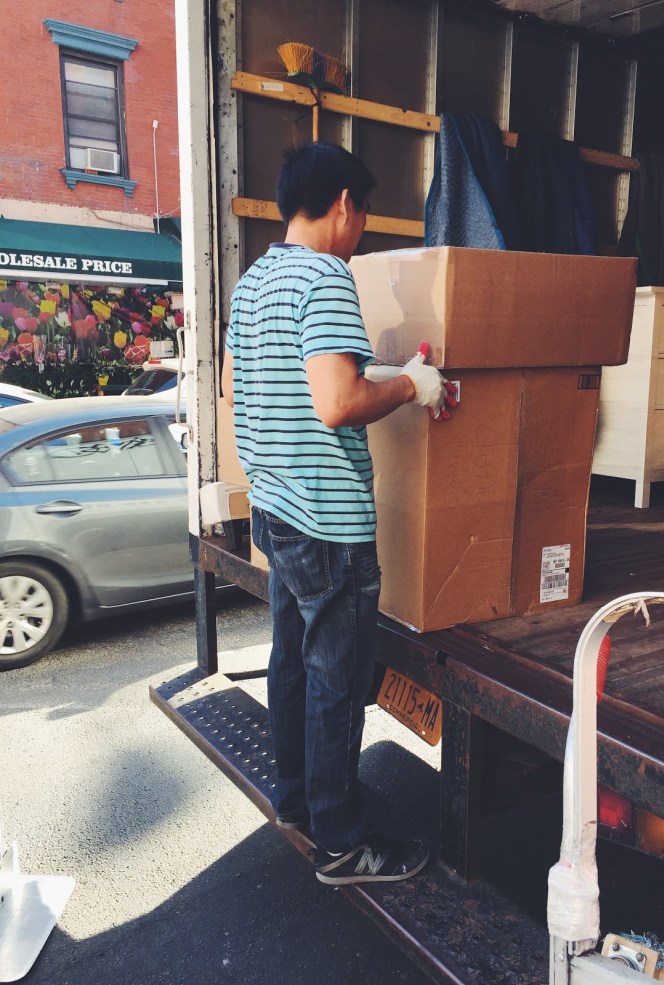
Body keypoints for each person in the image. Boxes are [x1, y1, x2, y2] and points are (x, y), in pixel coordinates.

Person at [221, 141, 457, 886]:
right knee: (337, 680)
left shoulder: (253, 283)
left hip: (276, 509)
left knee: (291, 662)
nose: (361, 235)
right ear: (345, 203)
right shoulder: (325, 276)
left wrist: (388, 372)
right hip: (328, 522)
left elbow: (261, 386)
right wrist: (412, 387)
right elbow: (336, 402)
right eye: (364, 216)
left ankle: (296, 800)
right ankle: (341, 842)